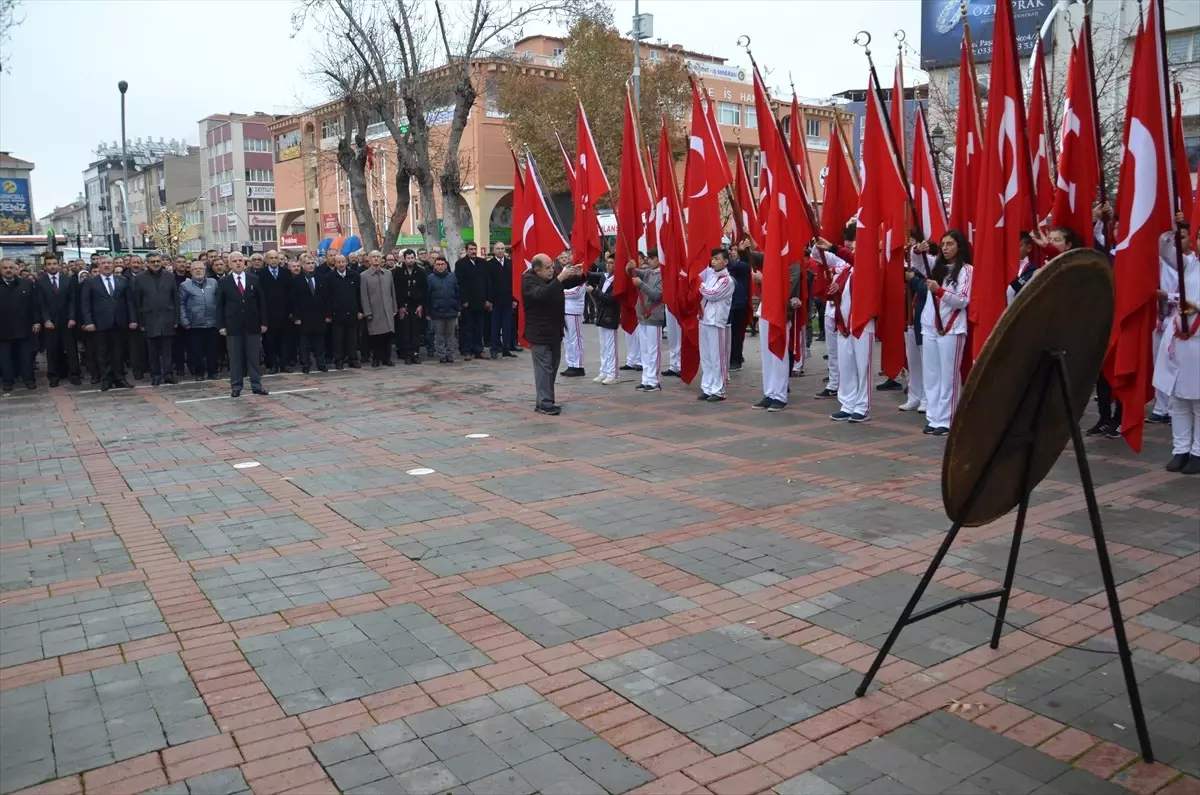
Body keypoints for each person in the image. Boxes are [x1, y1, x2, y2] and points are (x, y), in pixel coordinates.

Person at [1155, 219, 1199, 474]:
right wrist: (1172, 227)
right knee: (1179, 398)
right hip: (1179, 339)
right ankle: (1180, 450)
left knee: (1199, 401)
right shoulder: (1189, 264)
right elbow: (1164, 248)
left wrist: (1196, 307)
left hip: (1198, 339)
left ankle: (1198, 452)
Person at [919, 230, 973, 436]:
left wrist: (939, 291)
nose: (945, 247)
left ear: (959, 247)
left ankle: (947, 419)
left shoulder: (966, 270)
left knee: (948, 376)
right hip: (930, 326)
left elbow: (962, 300)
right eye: (943, 244)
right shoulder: (937, 267)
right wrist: (919, 248)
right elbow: (915, 261)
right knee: (931, 375)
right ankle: (933, 417)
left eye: (950, 244)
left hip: (951, 328)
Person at [523, 253, 584, 414]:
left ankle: (544, 400)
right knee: (544, 369)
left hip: (554, 331)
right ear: (537, 270)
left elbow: (567, 283)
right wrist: (559, 279)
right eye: (548, 268)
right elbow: (541, 294)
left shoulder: (551, 278)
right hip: (539, 333)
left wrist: (578, 275)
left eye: (552, 266)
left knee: (552, 367)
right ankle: (545, 403)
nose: (552, 270)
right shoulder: (529, 280)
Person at [816, 237, 868, 421]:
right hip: (843, 324)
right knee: (846, 366)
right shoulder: (846, 270)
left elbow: (857, 262)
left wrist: (832, 247)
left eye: (856, 248)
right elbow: (840, 294)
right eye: (852, 248)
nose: (853, 251)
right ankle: (847, 403)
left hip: (861, 324)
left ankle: (861, 406)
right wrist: (835, 290)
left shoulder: (867, 266)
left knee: (862, 367)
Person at [215, 253, 269, 398]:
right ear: (229, 264)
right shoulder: (224, 282)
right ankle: (236, 386)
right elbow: (220, 305)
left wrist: (263, 322)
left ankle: (256, 385)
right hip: (233, 326)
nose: (238, 263)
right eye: (235, 261)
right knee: (235, 358)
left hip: (252, 325)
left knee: (253, 357)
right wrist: (221, 326)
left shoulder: (254, 279)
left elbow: (261, 302)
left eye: (240, 261)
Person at [79, 255, 136, 391]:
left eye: (109, 263)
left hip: (119, 322)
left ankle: (120, 378)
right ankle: (106, 379)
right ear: (98, 266)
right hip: (100, 323)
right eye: (103, 263)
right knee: (102, 353)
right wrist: (88, 322)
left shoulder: (122, 280)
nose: (106, 265)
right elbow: (85, 304)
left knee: (119, 352)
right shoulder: (91, 282)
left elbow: (129, 302)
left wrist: (133, 319)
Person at [132, 253, 180, 386]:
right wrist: (140, 322)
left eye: (158, 261)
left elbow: (175, 298)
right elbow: (137, 301)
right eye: (152, 261)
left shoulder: (170, 276)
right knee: (152, 351)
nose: (156, 264)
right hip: (149, 319)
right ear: (147, 263)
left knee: (168, 350)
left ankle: (168, 374)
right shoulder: (140, 278)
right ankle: (156, 374)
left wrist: (176, 319)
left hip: (167, 318)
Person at [35, 254, 81, 387]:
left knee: (71, 349)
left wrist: (72, 317)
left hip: (67, 320)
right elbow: (41, 303)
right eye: (49, 264)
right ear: (45, 266)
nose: (52, 266)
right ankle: (53, 376)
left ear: (59, 265)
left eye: (54, 263)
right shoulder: (40, 282)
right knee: (52, 349)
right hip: (50, 322)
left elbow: (72, 301)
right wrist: (46, 320)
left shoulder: (68, 280)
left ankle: (74, 374)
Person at [900, 229, 932, 413]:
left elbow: (927, 290)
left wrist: (914, 280)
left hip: (924, 321)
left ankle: (927, 398)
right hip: (910, 320)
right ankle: (914, 395)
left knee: (926, 362)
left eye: (912, 239)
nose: (910, 244)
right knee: (913, 362)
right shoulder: (909, 264)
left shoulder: (932, 264)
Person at [697, 248, 735, 401]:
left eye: (717, 258)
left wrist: (700, 286)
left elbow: (711, 294)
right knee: (706, 357)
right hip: (704, 319)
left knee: (717, 357)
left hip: (717, 322)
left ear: (725, 262)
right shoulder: (711, 275)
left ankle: (718, 389)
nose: (713, 261)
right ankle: (707, 387)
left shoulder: (727, 280)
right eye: (712, 258)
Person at [0, 257, 40, 391]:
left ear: (15, 269)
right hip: (3, 330)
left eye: (11, 267)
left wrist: (36, 321)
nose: (8, 270)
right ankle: (8, 381)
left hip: (24, 328)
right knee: (5, 359)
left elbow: (34, 305)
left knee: (26, 358)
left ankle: (29, 379)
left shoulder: (26, 283)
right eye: (5, 268)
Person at [179, 261, 220, 381]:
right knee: (197, 351)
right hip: (194, 324)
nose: (198, 271)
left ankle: (213, 372)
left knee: (212, 350)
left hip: (212, 323)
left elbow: (219, 301)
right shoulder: (185, 286)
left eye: (200, 268)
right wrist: (185, 321)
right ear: (191, 271)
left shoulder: (213, 283)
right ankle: (199, 373)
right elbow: (181, 304)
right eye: (195, 269)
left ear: (205, 270)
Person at [630, 255, 665, 392]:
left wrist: (641, 285)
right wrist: (629, 267)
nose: (649, 261)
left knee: (653, 350)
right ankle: (646, 379)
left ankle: (654, 380)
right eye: (648, 258)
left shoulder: (663, 275)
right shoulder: (648, 272)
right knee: (644, 350)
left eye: (652, 258)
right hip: (642, 316)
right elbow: (634, 272)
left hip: (654, 315)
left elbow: (657, 295)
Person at [290, 256, 330, 373]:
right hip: (304, 316)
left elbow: (326, 298)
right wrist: (296, 317)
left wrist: (327, 315)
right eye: (308, 263)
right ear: (302, 265)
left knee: (320, 342)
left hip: (319, 315)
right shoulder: (296, 280)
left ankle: (321, 363)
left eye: (312, 263)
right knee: (304, 343)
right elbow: (294, 300)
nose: (311, 265)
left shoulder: (321, 278)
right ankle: (305, 364)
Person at [587, 254, 621, 385]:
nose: (608, 265)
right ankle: (604, 371)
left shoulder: (617, 280)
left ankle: (613, 373)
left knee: (611, 346)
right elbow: (591, 275)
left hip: (611, 314)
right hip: (602, 313)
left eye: (612, 263)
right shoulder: (604, 277)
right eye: (607, 262)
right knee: (604, 346)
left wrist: (595, 291)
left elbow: (612, 299)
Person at [359, 250, 397, 366]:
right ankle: (376, 358)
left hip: (387, 309)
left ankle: (387, 358)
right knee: (375, 335)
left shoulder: (388, 273)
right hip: (374, 310)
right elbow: (363, 295)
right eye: (373, 257)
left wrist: (394, 307)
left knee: (388, 335)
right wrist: (367, 312)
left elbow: (392, 292)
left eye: (378, 257)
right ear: (369, 260)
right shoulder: (364, 276)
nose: (376, 259)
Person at [326, 254, 362, 369]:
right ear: (335, 264)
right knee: (338, 339)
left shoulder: (354, 276)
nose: (341, 264)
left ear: (346, 262)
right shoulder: (329, 278)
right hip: (337, 314)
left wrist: (360, 310)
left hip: (352, 312)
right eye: (338, 262)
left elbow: (359, 295)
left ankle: (353, 359)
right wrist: (329, 314)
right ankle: (339, 360)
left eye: (343, 262)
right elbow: (327, 298)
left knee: (352, 339)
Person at [258, 250, 292, 374]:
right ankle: (272, 365)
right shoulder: (261, 274)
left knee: (285, 341)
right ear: (266, 260)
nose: (273, 260)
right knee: (270, 342)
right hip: (269, 314)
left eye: (276, 258)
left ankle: (284, 364)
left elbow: (291, 293)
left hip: (284, 314)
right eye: (271, 258)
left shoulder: (286, 273)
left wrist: (291, 311)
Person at [394, 249, 428, 365]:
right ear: (404, 258)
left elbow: (424, 289)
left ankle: (415, 353)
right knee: (405, 330)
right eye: (408, 258)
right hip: (404, 305)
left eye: (412, 258)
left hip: (416, 305)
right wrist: (400, 306)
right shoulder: (398, 272)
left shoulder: (420, 271)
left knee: (415, 331)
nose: (410, 260)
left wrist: (421, 305)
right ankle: (407, 354)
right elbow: (396, 290)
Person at [456, 242, 488, 360]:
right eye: (471, 249)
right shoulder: (460, 264)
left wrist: (488, 299)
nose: (473, 251)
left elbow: (487, 281)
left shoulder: (483, 263)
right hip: (468, 302)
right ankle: (467, 350)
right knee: (468, 327)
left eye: (475, 249)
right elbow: (460, 284)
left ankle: (478, 350)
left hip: (481, 300)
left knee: (479, 327)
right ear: (466, 250)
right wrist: (464, 300)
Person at [426, 254, 460, 363]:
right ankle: (441, 355)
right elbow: (427, 296)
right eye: (438, 264)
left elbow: (458, 293)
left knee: (450, 335)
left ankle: (450, 354)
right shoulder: (430, 279)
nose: (440, 266)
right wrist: (429, 311)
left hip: (451, 311)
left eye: (442, 264)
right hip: (437, 312)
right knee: (439, 335)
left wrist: (457, 307)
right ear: (435, 266)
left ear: (446, 265)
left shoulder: (452, 277)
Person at [485, 241, 516, 359]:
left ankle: (506, 349)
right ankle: (494, 349)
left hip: (508, 300)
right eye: (498, 248)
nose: (500, 250)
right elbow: (487, 283)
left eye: (502, 248)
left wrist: (514, 299)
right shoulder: (489, 264)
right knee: (495, 326)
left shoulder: (510, 263)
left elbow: (513, 282)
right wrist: (488, 300)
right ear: (494, 250)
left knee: (507, 326)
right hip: (494, 301)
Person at [561, 253, 587, 377]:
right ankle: (570, 363)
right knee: (567, 339)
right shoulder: (565, 270)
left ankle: (578, 365)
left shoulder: (581, 274)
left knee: (576, 339)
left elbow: (576, 292)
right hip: (564, 310)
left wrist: (560, 293)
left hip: (575, 311)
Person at [727, 244, 751, 372]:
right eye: (731, 250)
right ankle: (733, 357)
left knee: (736, 334)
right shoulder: (732, 265)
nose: (732, 252)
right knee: (731, 333)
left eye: (735, 250)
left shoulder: (743, 265)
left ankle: (736, 360)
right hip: (730, 303)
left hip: (739, 304)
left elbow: (732, 265)